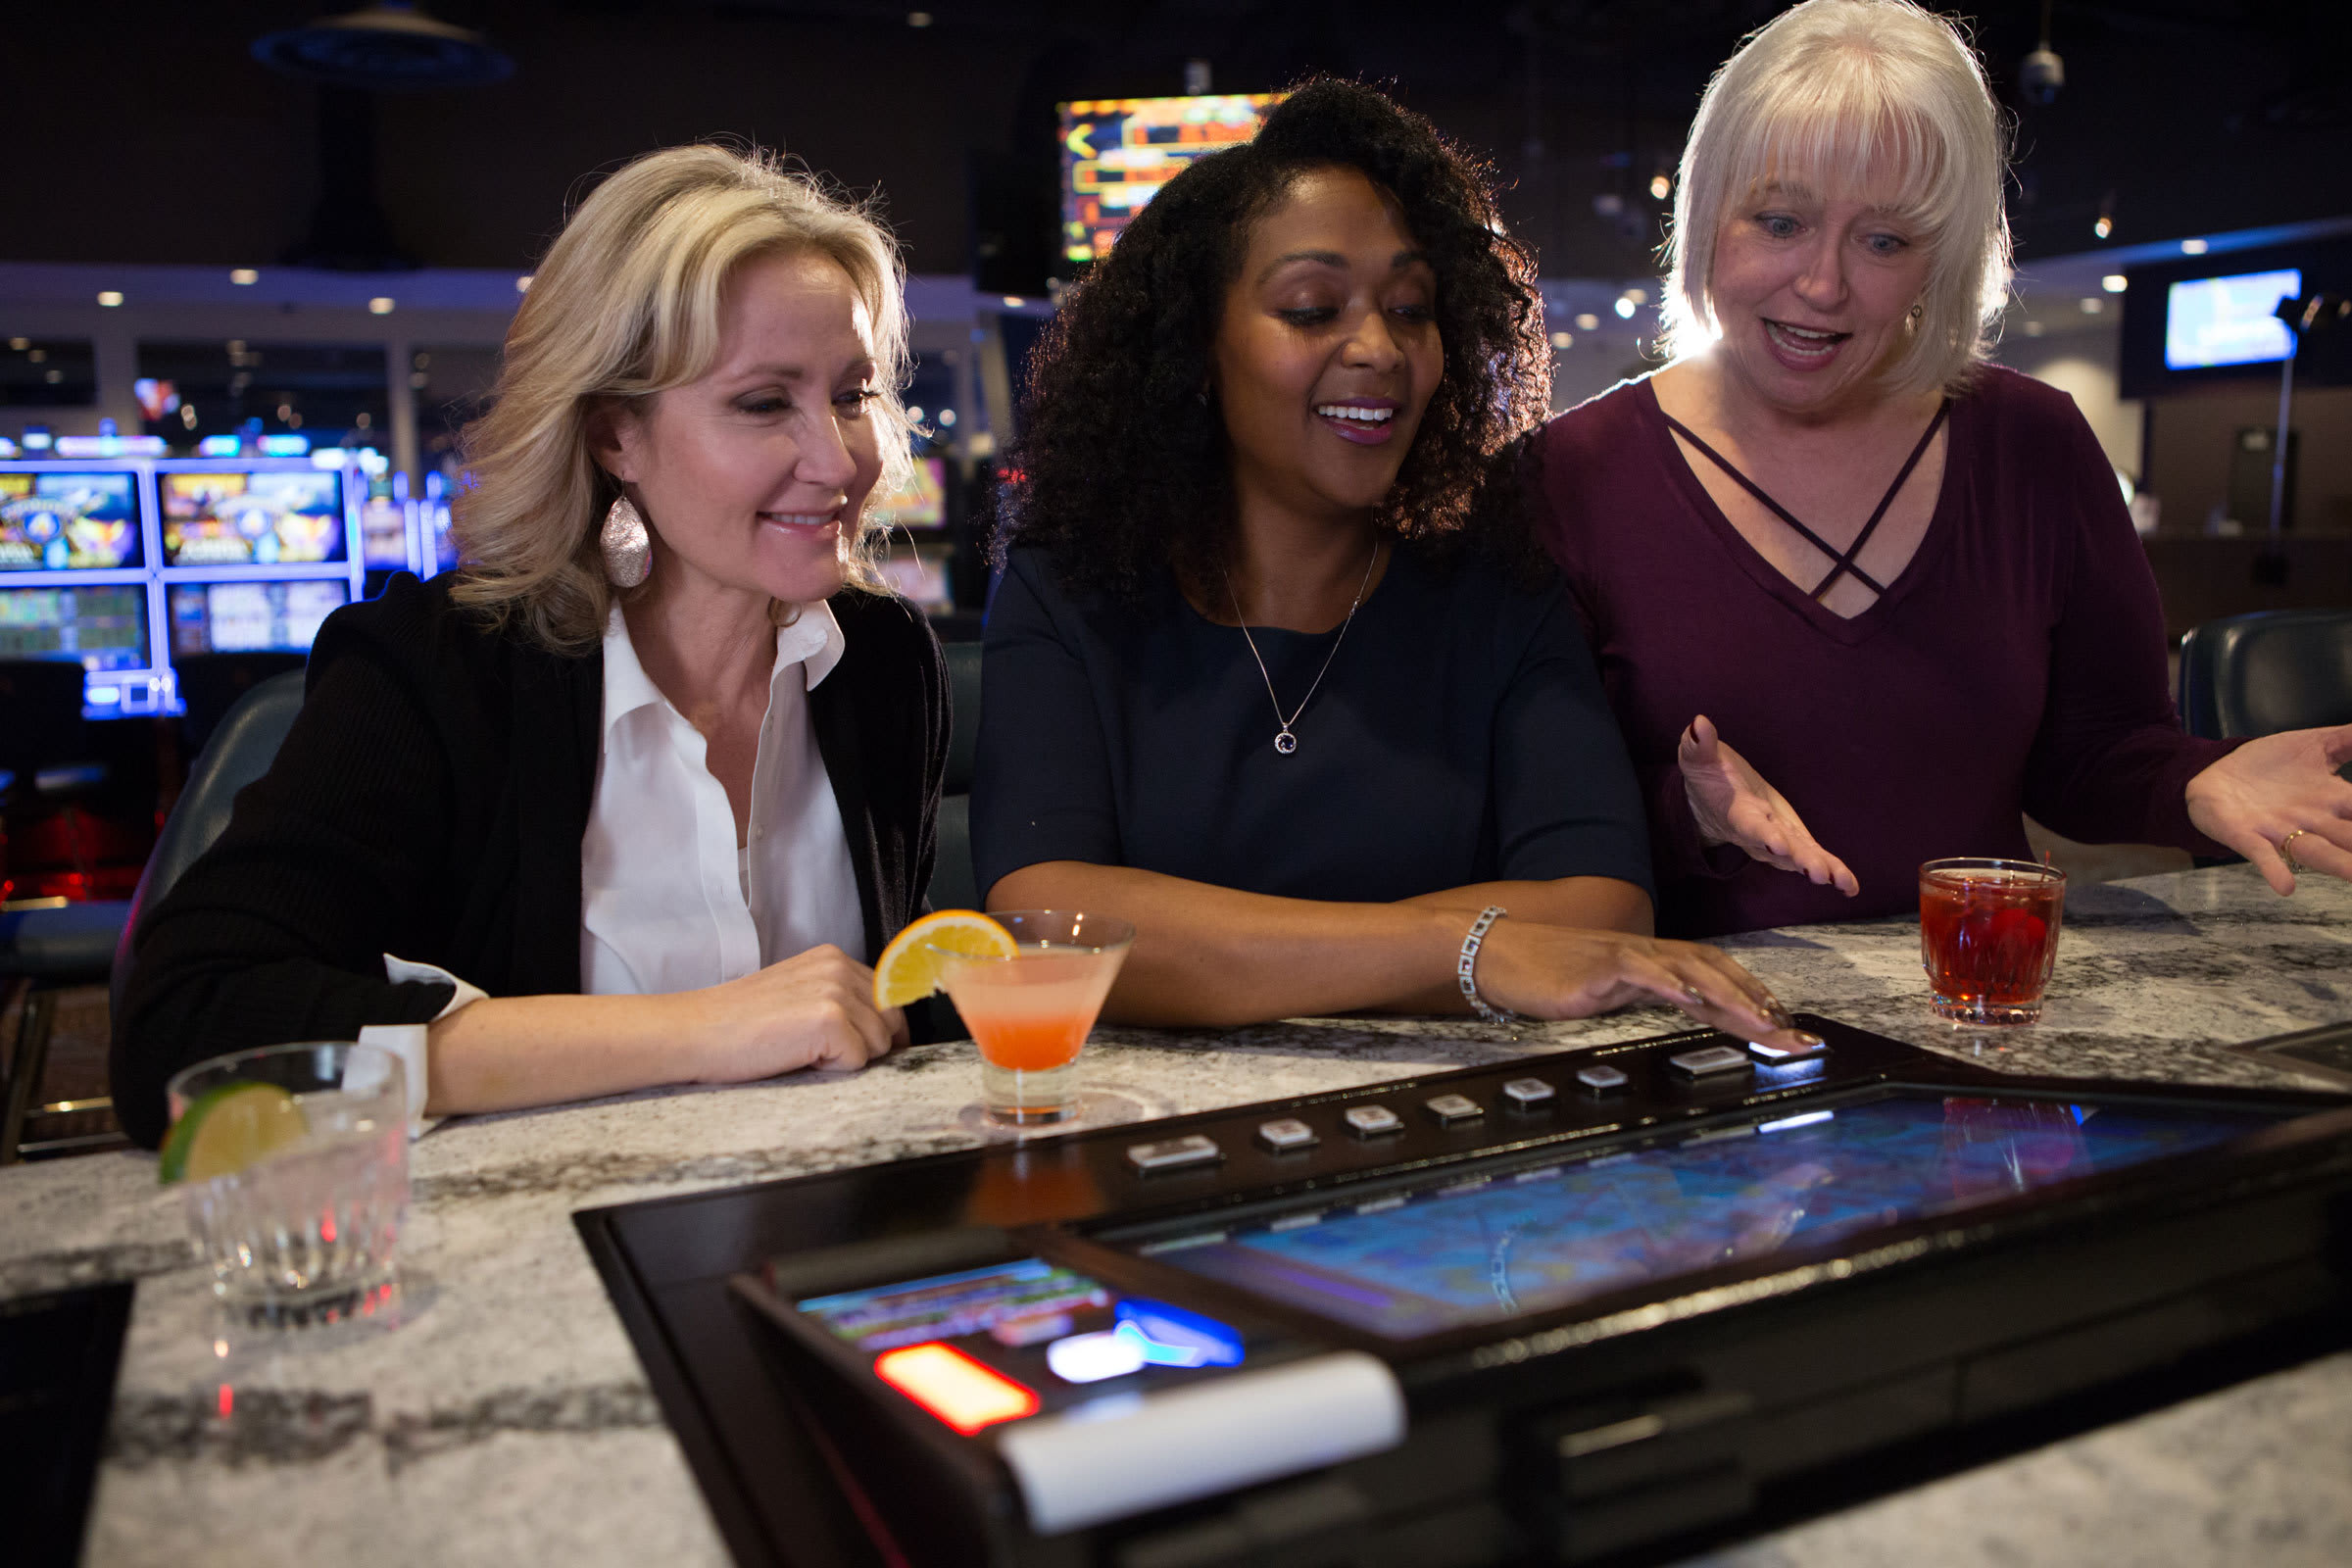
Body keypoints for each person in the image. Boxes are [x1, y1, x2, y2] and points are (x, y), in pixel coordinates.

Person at [112, 145, 947, 1146]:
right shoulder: (441, 668)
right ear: (612, 438)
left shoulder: (884, 661)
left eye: (851, 394)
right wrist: (696, 1032)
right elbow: (180, 1035)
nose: (841, 457)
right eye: (765, 402)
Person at [972, 80, 1810, 1050]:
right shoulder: (1069, 591)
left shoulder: (1501, 598)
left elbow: (1604, 917)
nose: (1379, 347)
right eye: (1311, 307)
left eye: (1411, 308)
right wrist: (1474, 952)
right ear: (1199, 350)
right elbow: (1047, 923)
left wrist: (1210, 949)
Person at [1532, 0, 2352, 939]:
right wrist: (1691, 815)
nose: (1823, 283)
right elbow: (1530, 826)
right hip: (1691, 1029)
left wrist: (2193, 778)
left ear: (1944, 259)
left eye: (1885, 240)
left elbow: (2092, 757)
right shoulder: (1571, 478)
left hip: (1978, 1002)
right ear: (1707, 211)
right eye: (1780, 221)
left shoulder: (2032, 445)